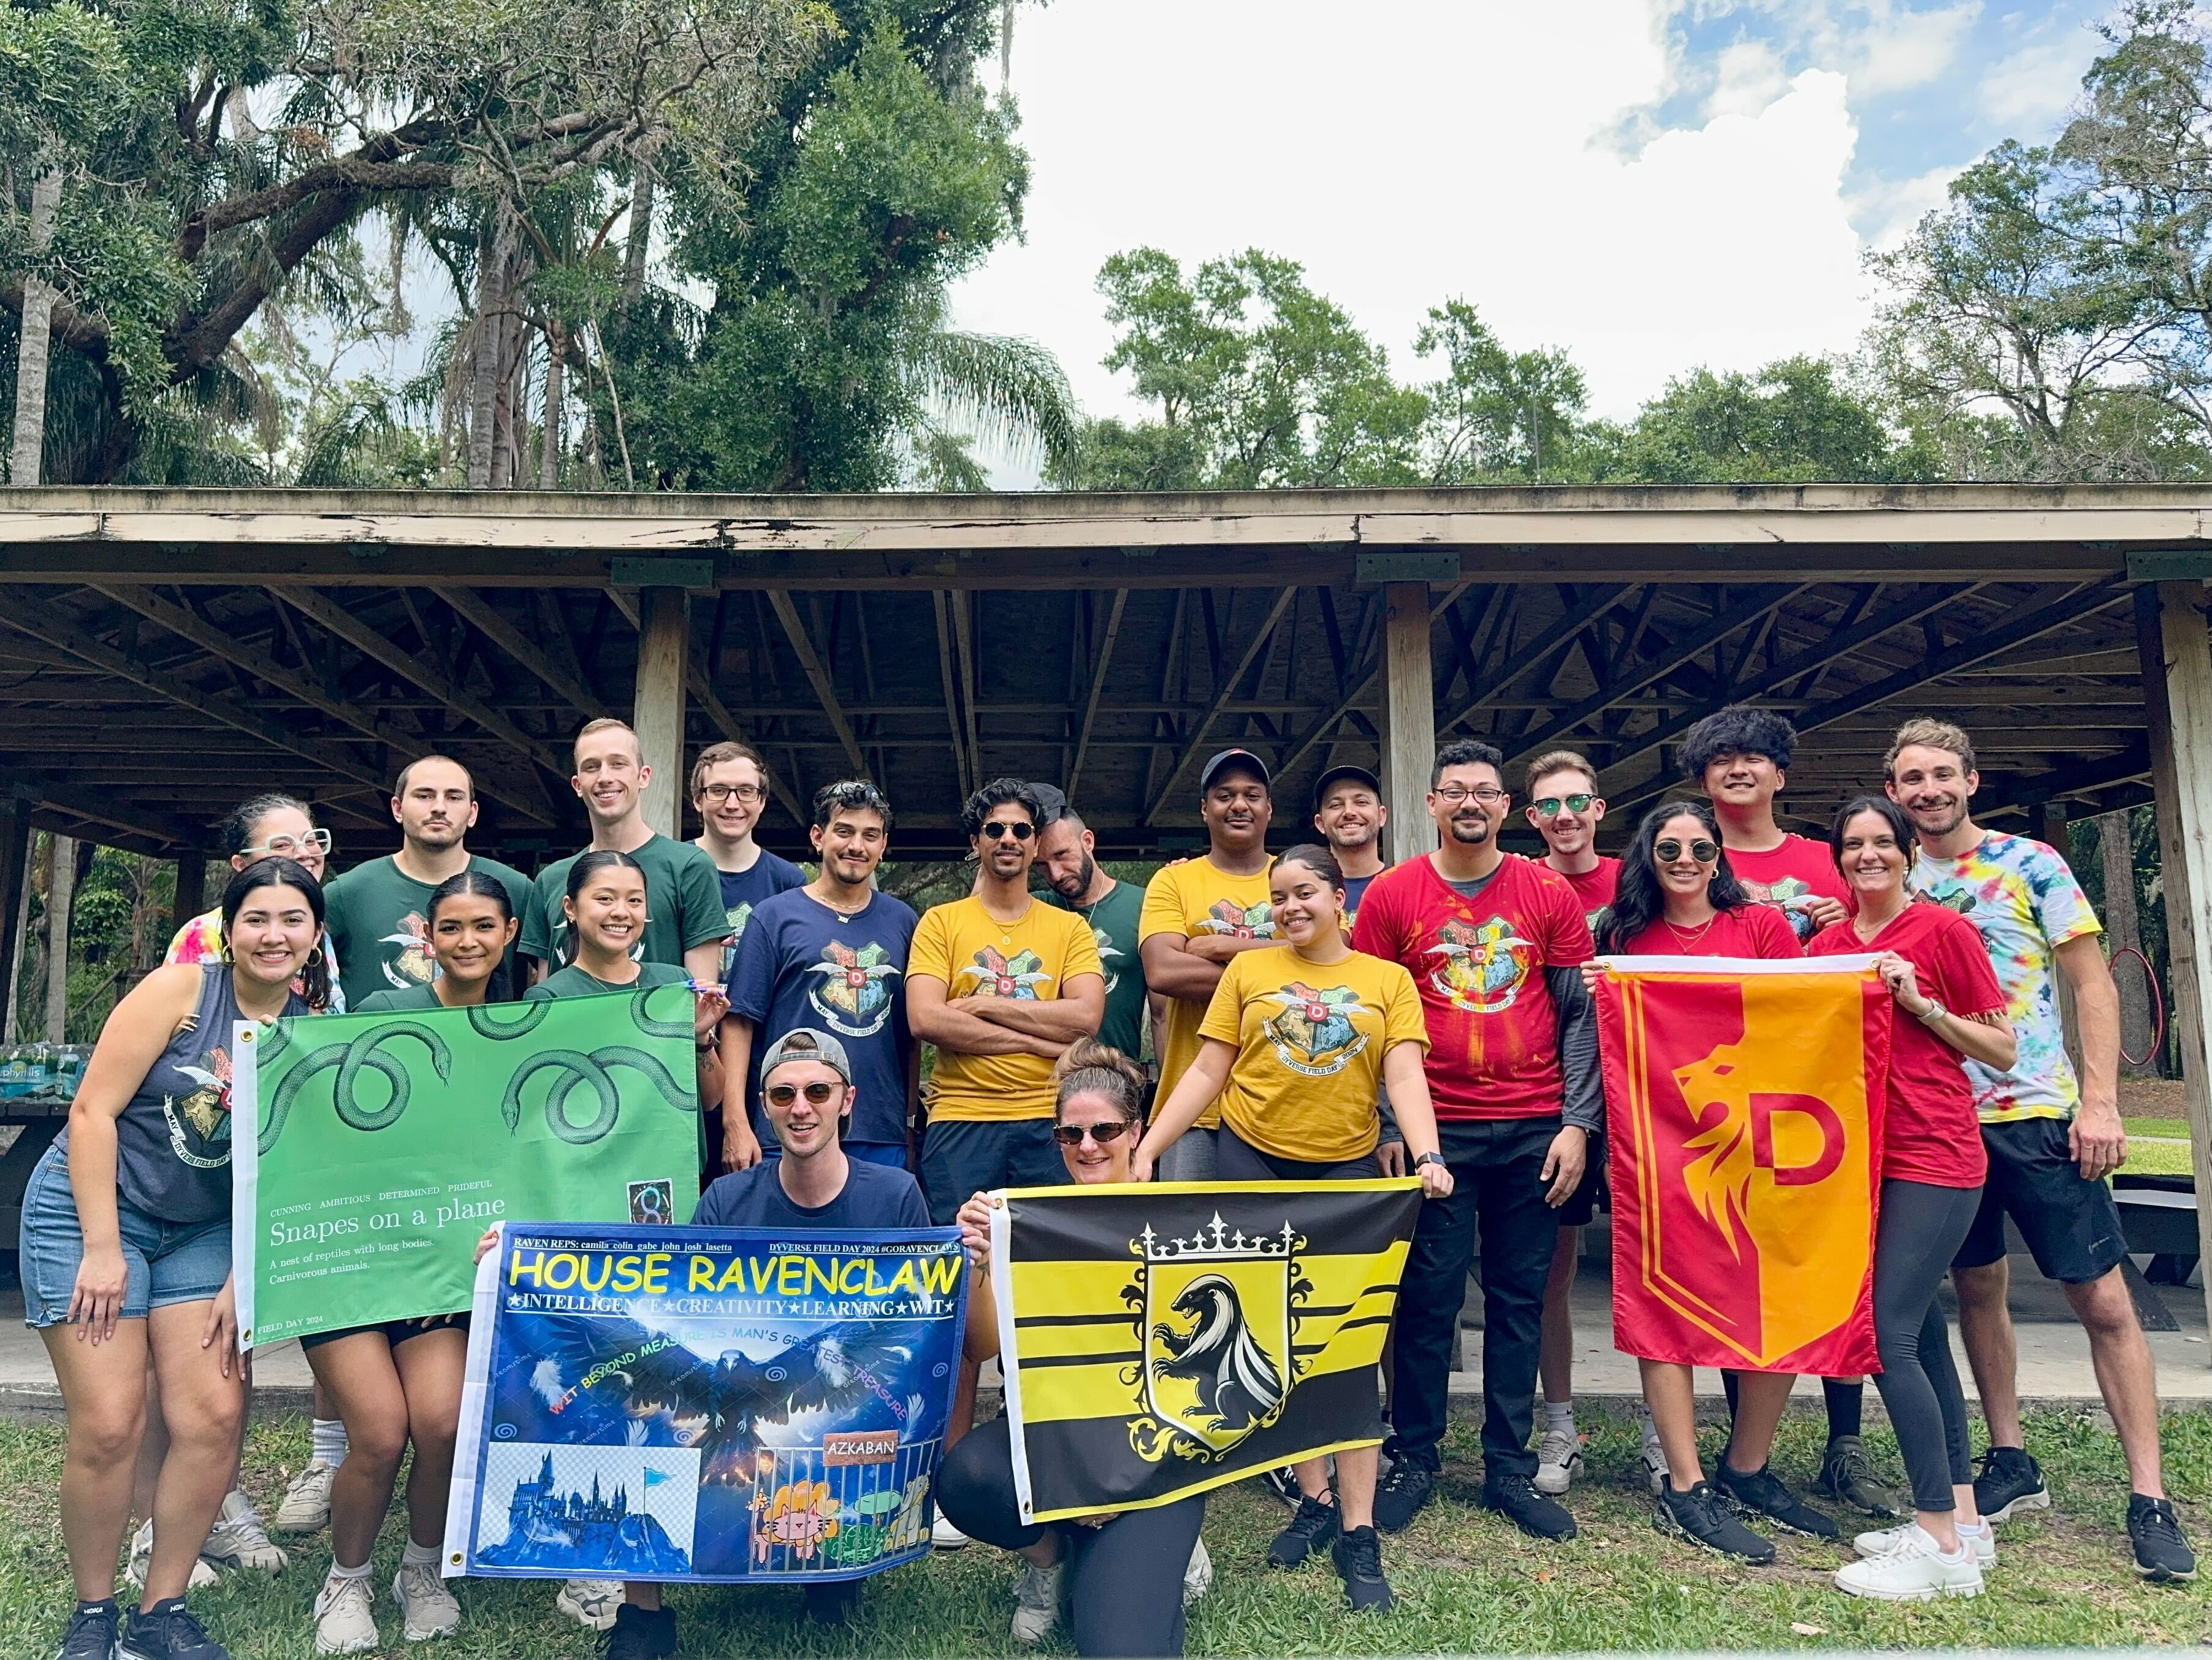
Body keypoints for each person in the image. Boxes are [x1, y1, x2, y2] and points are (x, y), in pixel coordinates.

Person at [1887, 716, 2197, 1580]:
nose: (1928, 791)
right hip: (1945, 1121)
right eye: (1911, 778)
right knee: (1976, 1289)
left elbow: (2092, 980)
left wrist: (2100, 1100)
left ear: (1971, 780)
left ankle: (2150, 1496)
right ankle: (2011, 1458)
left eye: (1941, 774)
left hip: (2037, 1113)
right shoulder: (1893, 878)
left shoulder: (2031, 863)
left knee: (2102, 1300)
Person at [1134, 845, 1451, 1613]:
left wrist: (1427, 1151)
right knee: (1268, 1339)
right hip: (1251, 1162)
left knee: (1346, 1344)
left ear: (1339, 897)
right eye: (1278, 897)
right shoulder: (1247, 973)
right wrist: (1148, 1144)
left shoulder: (1386, 980)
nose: (1289, 907)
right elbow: (1208, 1068)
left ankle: (1358, 1528)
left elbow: (1403, 1073)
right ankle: (1310, 1498)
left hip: (1342, 1176)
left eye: (1303, 893)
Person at [26, 862, 321, 1660]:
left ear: (314, 935)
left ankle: (162, 1609)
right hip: (90, 1208)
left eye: (293, 919)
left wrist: (243, 1275)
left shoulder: (309, 1036)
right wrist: (101, 1247)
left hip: (205, 1230)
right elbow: (91, 1110)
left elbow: (288, 1172)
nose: (274, 934)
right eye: (257, 918)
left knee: (213, 1415)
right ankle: (92, 1615)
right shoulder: (181, 991)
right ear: (231, 929)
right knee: (113, 1422)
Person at [1348, 740, 1598, 1543]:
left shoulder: (1545, 891)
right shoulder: (1392, 895)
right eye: (1454, 790)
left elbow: (1579, 1015)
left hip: (1534, 1123)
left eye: (1484, 791)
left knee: (1519, 1299)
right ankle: (1415, 1454)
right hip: (1439, 1129)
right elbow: (1373, 1019)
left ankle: (1507, 1465)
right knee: (1428, 1296)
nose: (1469, 802)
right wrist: (1392, 1125)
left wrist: (1578, 1122)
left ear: (1503, 806)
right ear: (1430, 804)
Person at [1588, 800, 1830, 1562]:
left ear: (1719, 855)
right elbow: (1604, 1039)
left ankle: (1747, 1466)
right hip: (1657, 1142)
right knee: (1665, 1297)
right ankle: (1684, 1484)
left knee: (1772, 1296)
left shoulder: (1758, 928)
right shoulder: (1623, 936)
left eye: (1699, 846)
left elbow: (1800, 1017)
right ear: (1647, 856)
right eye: (1669, 847)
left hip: (1755, 1139)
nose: (1685, 858)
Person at [1675, 705, 1884, 1515]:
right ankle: (1743, 1448)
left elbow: (1882, 938)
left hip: (1818, 1094)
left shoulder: (1827, 860)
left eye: (1753, 756)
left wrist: (1848, 919)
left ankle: (1846, 1442)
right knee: (1740, 1266)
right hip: (1727, 1101)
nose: (1737, 768)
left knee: (1825, 1264)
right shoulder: (1684, 859)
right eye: (1720, 757)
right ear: (1702, 779)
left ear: (1780, 772)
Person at [302, 873, 518, 1651]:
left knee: (441, 1422)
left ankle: (420, 1570)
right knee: (382, 1432)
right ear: (428, 935)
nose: (467, 941)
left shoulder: (524, 1026)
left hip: (443, 1272)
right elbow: (330, 1130)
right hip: (359, 1262)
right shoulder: (382, 1014)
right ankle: (347, 1580)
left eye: (483, 926)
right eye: (451, 927)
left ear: (509, 932)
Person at [1808, 796, 2012, 1601]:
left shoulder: (1945, 932)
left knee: (1884, 1332)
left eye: (1881, 843)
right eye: (1853, 844)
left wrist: (1920, 1002)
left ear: (1907, 851)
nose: (1868, 856)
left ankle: (1935, 1543)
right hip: (1863, 1164)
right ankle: (1964, 1520)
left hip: (1937, 1155)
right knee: (1923, 1334)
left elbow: (2000, 1045)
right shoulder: (1826, 944)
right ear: (1840, 858)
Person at [944, 1042, 1210, 1658]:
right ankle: (1050, 1558)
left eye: (1105, 1130)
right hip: (1054, 1445)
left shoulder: (1179, 1220)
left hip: (1153, 1456)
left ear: (1136, 1131)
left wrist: (1116, 1491)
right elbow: (983, 1344)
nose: (1087, 1146)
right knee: (967, 1478)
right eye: (1071, 1134)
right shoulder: (1028, 1218)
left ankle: (1166, 1554)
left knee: (1119, 1647)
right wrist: (980, 1259)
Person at [524, 850, 727, 1656]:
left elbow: (711, 1098)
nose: (622, 909)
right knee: (591, 1387)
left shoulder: (676, 982)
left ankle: (651, 1574)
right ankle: (594, 1559)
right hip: (576, 1216)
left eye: (634, 898)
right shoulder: (546, 998)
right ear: (570, 909)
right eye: (605, 897)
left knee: (658, 1383)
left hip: (663, 1214)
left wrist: (705, 1039)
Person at [907, 778, 1104, 1547]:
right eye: (995, 828)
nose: (1011, 840)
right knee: (964, 1297)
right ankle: (955, 1479)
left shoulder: (1067, 928)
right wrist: (1038, 1033)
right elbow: (927, 1018)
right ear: (976, 841)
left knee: (1050, 1302)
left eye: (1023, 829)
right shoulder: (941, 921)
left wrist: (982, 1009)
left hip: (1049, 1129)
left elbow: (1086, 1019)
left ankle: (1046, 1463)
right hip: (961, 1125)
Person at [161, 794, 334, 1567]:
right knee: (191, 1373)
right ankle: (191, 1523)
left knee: (232, 1354)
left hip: (259, 1177)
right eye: (281, 844)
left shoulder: (315, 954)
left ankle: (216, 1509)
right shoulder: (204, 947)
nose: (303, 852)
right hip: (186, 1176)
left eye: (312, 841)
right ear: (239, 875)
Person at [721, 781, 916, 1173]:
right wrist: (736, 1121)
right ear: (818, 837)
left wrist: (909, 1121)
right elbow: (739, 1022)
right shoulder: (774, 916)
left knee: (876, 1237)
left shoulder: (904, 921)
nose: (856, 846)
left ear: (883, 845)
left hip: (879, 1129)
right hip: (788, 1125)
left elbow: (912, 1035)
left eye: (870, 835)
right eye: (844, 831)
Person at [1520, 748, 1622, 1499]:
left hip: (1651, 1101)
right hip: (1559, 1101)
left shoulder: (1639, 878)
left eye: (1575, 801)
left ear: (1598, 807)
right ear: (1530, 818)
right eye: (1549, 805)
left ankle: (1662, 1431)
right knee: (1552, 1273)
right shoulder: (1518, 885)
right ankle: (1558, 1425)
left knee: (1658, 1268)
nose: (1564, 815)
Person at [1138, 749, 1279, 1182]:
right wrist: (1277, 961)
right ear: (1205, 809)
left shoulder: (1297, 874)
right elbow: (1164, 971)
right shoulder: (1173, 880)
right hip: (1193, 1109)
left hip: (1281, 1108)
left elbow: (1329, 959)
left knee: (1276, 1245)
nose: (1239, 804)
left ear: (1269, 809)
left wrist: (1214, 944)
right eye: (1224, 795)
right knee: (1190, 1245)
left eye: (1252, 795)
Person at [520, 719, 728, 985]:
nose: (605, 777)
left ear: (643, 776)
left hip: (656, 1025)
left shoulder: (689, 866)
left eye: (618, 764)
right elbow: (547, 988)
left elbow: (698, 1000)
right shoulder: (551, 879)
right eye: (592, 767)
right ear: (577, 785)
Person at [322, 755, 532, 1012]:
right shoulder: (347, 892)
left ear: (472, 812)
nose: (439, 808)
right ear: (398, 809)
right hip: (379, 1044)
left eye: (454, 797)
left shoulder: (517, 889)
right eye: (424, 796)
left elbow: (544, 976)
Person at [1032, 789, 1151, 1067]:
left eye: (1063, 855)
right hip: (1045, 1081)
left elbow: (1163, 1013)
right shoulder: (1035, 908)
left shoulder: (1145, 904)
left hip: (1118, 1077)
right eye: (1041, 865)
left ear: (1088, 841)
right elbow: (980, 915)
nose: (1056, 874)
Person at [690, 741, 806, 984]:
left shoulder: (790, 882)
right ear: (698, 800)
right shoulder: (673, 868)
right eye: (719, 790)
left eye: (746, 791)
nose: (733, 804)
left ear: (762, 802)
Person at [1311, 765, 1388, 924]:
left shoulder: (1407, 886)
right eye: (1336, 805)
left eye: (1361, 802)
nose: (1349, 812)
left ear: (1382, 816)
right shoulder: (1305, 891)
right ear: (1320, 823)